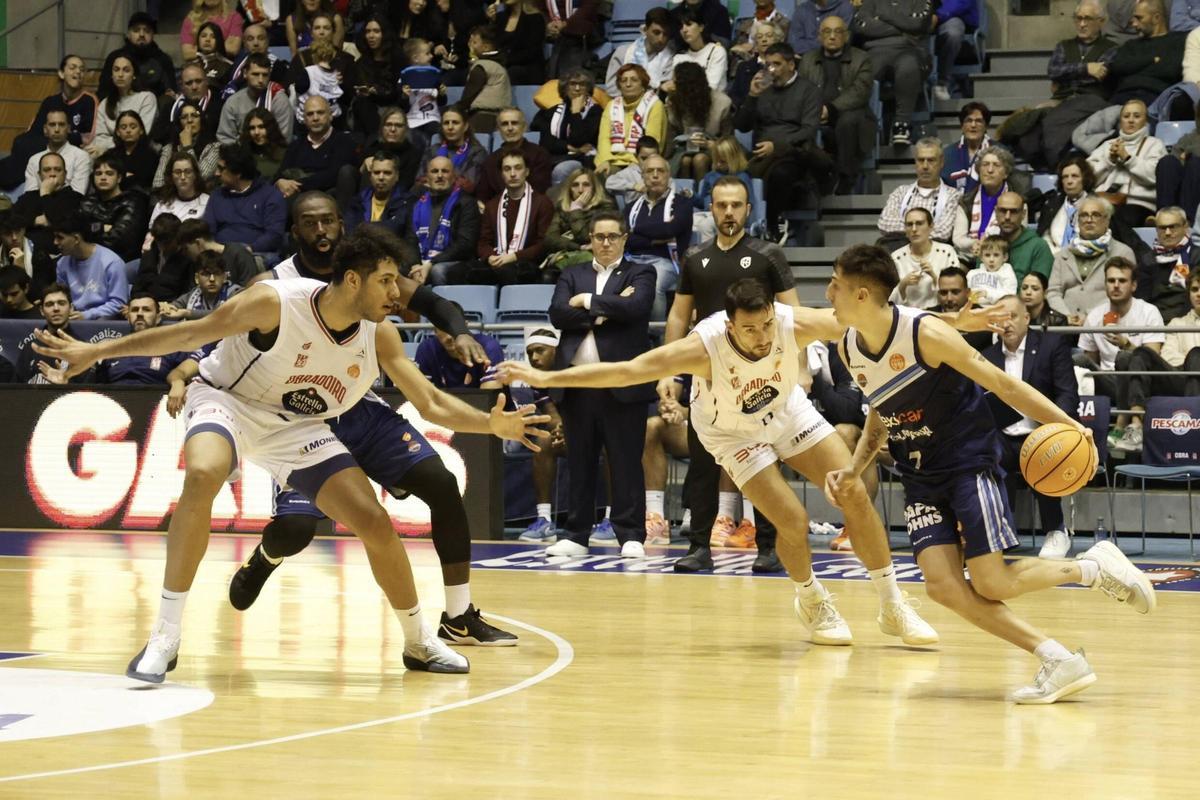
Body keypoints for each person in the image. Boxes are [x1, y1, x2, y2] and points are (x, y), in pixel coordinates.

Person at [33, 224, 545, 682]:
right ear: (352, 280)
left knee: (373, 521)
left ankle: (417, 641)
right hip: (226, 398)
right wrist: (94, 351)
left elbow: (430, 402)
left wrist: (488, 423)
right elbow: (190, 333)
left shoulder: (380, 336)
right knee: (205, 472)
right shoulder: (274, 302)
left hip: (296, 424)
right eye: (386, 280)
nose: (397, 293)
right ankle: (166, 635)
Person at [503, 271, 941, 644]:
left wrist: (955, 320)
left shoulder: (793, 324)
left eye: (766, 325)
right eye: (750, 329)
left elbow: (875, 321)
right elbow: (627, 370)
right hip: (731, 433)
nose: (762, 336)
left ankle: (892, 604)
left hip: (786, 410)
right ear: (730, 326)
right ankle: (812, 601)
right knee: (792, 522)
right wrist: (548, 375)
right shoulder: (703, 346)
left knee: (855, 492)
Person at [825, 243, 1154, 703]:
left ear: (861, 294)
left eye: (835, 284)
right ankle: (1059, 659)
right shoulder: (847, 346)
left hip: (966, 460)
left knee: (992, 580)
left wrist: (1070, 424)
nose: (828, 292)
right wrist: (854, 469)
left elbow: (1002, 383)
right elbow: (882, 409)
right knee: (942, 587)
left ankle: (1093, 568)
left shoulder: (926, 333)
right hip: (919, 474)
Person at [227, 197, 520, 648]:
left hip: (359, 409)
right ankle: (266, 557)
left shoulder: (372, 277)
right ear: (295, 231)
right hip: (304, 420)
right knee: (297, 530)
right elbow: (231, 346)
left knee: (440, 483)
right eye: (311, 223)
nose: (321, 229)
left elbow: (436, 306)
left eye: (329, 220)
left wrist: (459, 331)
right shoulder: (274, 285)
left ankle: (459, 616)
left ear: (342, 224)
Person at [662, 176, 794, 573]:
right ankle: (699, 546)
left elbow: (792, 314)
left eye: (736, 205)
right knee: (703, 463)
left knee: (765, 459)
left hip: (759, 376)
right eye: (721, 205)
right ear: (712, 209)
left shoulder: (768, 254)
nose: (729, 213)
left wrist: (798, 369)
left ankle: (769, 546)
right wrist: (668, 372)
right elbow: (677, 316)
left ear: (748, 209)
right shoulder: (695, 257)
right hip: (708, 378)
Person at [535, 211, 657, 559]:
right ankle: (576, 533)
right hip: (577, 386)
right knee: (580, 460)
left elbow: (637, 307)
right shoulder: (572, 273)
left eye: (612, 237)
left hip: (621, 384)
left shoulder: (640, 272)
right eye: (599, 237)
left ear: (624, 239)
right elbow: (558, 313)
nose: (605, 243)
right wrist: (607, 311)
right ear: (589, 239)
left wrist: (586, 301)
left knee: (625, 460)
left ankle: (630, 532)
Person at [983, 295, 1079, 558]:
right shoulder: (986, 356)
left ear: (1027, 318)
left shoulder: (1051, 345)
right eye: (1000, 319)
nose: (1007, 324)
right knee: (984, 452)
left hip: (1042, 433)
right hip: (1003, 435)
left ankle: (1057, 531)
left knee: (1043, 455)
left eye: (1012, 316)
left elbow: (1068, 394)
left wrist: (1054, 427)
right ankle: (1000, 533)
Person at [734, 42, 829, 241]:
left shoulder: (808, 90)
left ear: (791, 65)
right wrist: (752, 96)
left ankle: (773, 225)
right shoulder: (762, 89)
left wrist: (776, 146)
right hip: (761, 152)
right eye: (767, 65)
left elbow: (809, 130)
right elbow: (742, 126)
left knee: (781, 173)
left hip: (795, 152)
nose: (771, 70)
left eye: (776, 64)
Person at [1079, 257, 1166, 450]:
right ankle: (1072, 426)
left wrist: (1126, 344)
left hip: (1142, 382)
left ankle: (1125, 426)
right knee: (1077, 361)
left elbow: (1152, 359)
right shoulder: (1095, 315)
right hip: (1108, 381)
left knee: (1125, 357)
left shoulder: (1148, 312)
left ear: (1133, 285)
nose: (1116, 286)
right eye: (1111, 281)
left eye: (1122, 281)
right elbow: (1089, 360)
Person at [797, 14, 876, 195]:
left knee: (847, 121)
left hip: (853, 114)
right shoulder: (808, 60)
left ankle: (846, 176)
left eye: (838, 31)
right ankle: (813, 180)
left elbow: (860, 92)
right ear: (819, 36)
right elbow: (801, 90)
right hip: (815, 113)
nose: (832, 36)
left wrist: (830, 109)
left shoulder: (862, 58)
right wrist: (814, 110)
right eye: (827, 31)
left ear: (847, 36)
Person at [851, 0, 933, 145]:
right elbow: (861, 27)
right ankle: (863, 127)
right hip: (875, 52)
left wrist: (882, 16)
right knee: (861, 72)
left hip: (909, 49)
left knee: (908, 68)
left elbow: (918, 24)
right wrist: (903, 27)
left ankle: (902, 125)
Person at [468, 151, 554, 285]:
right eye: (507, 169)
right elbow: (483, 242)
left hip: (527, 264)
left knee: (507, 272)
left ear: (527, 172)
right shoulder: (492, 205)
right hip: (498, 260)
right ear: (502, 174)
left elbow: (544, 244)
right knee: (461, 272)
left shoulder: (542, 203)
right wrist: (490, 256)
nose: (513, 174)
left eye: (518, 168)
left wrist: (513, 257)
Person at [1047, 196, 1138, 321]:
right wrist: (1066, 316)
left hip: (1106, 325)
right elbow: (1053, 292)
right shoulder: (1063, 255)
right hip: (1065, 326)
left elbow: (1123, 294)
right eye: (1084, 215)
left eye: (1095, 215)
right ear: (1078, 221)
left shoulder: (1122, 253)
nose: (1089, 220)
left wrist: (1090, 318)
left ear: (1107, 220)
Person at [515, 326, 567, 543]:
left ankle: (611, 520)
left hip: (594, 429)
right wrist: (559, 430)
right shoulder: (536, 379)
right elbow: (551, 414)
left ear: (555, 351)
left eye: (539, 351)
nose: (534, 358)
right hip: (568, 432)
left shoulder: (574, 369)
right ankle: (544, 520)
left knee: (608, 443)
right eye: (529, 353)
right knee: (542, 443)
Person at [624, 155, 692, 320]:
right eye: (650, 171)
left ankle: (658, 337)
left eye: (660, 171)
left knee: (652, 286)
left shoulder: (682, 204)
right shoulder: (631, 207)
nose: (655, 175)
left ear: (668, 175)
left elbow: (670, 229)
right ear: (643, 176)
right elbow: (625, 239)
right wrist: (653, 240)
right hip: (632, 259)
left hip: (666, 262)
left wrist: (636, 229)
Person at [1085, 99, 1166, 229]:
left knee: (1117, 219)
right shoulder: (1107, 145)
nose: (1131, 120)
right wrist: (1108, 161)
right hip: (1102, 202)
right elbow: (1086, 178)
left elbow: (1154, 176)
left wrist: (1127, 158)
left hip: (1138, 205)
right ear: (1120, 120)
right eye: (1126, 116)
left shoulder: (1155, 144)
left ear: (1145, 121)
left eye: (1137, 116)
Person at [403, 156, 481, 285]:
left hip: (455, 262)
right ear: (427, 177)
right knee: (398, 271)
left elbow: (465, 245)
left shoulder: (466, 203)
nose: (440, 175)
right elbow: (410, 242)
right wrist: (416, 265)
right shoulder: (416, 206)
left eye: (445, 171)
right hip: (422, 261)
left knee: (438, 271)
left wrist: (431, 263)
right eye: (435, 171)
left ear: (454, 176)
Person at [877, 139, 962, 250]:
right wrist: (923, 229)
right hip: (898, 249)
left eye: (931, 160)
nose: (925, 166)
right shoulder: (901, 192)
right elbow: (884, 223)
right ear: (915, 163)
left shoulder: (953, 195)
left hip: (934, 254)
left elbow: (943, 233)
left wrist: (907, 229)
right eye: (921, 160)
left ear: (941, 163)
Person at [203, 143, 287, 254]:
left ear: (238, 173)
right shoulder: (216, 195)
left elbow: (274, 235)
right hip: (220, 253)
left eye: (221, 169)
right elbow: (208, 231)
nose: (216, 173)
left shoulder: (271, 195)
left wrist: (246, 251)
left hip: (256, 253)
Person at [275, 97, 359, 202]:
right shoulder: (296, 145)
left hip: (330, 199)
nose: (315, 118)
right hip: (298, 200)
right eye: (310, 114)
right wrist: (280, 182)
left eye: (320, 113)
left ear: (330, 116)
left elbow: (333, 176)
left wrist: (298, 184)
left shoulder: (344, 141)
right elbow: (280, 174)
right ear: (304, 119)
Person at [595, 65, 667, 186]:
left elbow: (653, 141)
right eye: (624, 80)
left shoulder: (654, 105)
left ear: (643, 84)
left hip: (641, 162)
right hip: (613, 161)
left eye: (634, 80)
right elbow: (604, 138)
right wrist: (605, 160)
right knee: (599, 176)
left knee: (629, 177)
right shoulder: (612, 105)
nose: (628, 84)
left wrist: (636, 163)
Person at [952, 146, 1025, 262]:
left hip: (1005, 257)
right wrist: (974, 243)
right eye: (985, 164)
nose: (990, 170)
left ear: (1005, 173)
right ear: (978, 170)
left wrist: (988, 246)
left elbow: (1019, 236)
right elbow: (958, 238)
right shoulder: (966, 201)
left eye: (996, 165)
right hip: (970, 255)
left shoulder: (1017, 201)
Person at [662, 62, 733, 181]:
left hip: (714, 147)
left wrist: (712, 145)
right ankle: (685, 194)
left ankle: (704, 194)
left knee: (700, 159)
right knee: (685, 161)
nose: (672, 85)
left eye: (675, 82)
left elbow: (729, 138)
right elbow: (671, 136)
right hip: (683, 148)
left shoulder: (722, 102)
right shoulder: (673, 101)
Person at [51, 212, 129, 320]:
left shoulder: (112, 263)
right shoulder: (62, 264)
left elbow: (118, 304)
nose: (55, 242)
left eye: (60, 237)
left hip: (103, 320)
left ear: (76, 239)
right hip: (73, 317)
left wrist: (87, 315)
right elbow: (62, 297)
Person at [533, 69, 604, 184]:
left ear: (588, 88)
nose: (577, 88)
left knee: (562, 170)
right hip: (555, 158)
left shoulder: (596, 112)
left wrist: (576, 113)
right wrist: (571, 148)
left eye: (582, 84)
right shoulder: (552, 111)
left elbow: (579, 139)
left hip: (584, 160)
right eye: (573, 84)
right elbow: (546, 142)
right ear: (565, 88)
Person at [14, 282, 93, 383]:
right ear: (42, 310)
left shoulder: (82, 349)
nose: (56, 308)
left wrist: (66, 384)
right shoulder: (31, 347)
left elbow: (89, 394)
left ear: (71, 308)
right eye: (49, 304)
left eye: (61, 303)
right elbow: (16, 390)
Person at [78, 151, 148, 262]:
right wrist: (101, 227)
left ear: (119, 178)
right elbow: (76, 233)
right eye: (98, 173)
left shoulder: (133, 201)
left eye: (109, 173)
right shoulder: (88, 202)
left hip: (121, 260)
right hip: (87, 259)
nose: (103, 177)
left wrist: (90, 231)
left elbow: (118, 242)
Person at [474, 108, 554, 203]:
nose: (510, 128)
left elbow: (539, 191)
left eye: (515, 123)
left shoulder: (540, 155)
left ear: (524, 127)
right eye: (504, 124)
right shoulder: (490, 161)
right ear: (499, 129)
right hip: (497, 212)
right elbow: (483, 195)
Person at [544, 169, 617, 272]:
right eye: (575, 185)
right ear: (569, 189)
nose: (580, 190)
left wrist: (576, 210)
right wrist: (579, 247)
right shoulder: (561, 207)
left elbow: (585, 237)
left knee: (586, 262)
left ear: (594, 188)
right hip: (565, 255)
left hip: (595, 257)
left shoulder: (605, 209)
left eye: (586, 185)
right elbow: (550, 239)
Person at [1135, 206, 1199, 321]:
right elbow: (1142, 300)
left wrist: (1179, 323)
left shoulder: (1197, 256)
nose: (1167, 233)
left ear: (1185, 227)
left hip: (1189, 322)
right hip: (1154, 323)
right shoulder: (1148, 260)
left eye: (1173, 227)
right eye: (1162, 228)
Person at [217, 54, 295, 145]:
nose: (261, 80)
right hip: (240, 155)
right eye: (256, 74)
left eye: (265, 75)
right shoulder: (233, 102)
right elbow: (225, 138)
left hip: (273, 155)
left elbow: (284, 139)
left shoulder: (279, 100)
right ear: (245, 73)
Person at [891, 207, 960, 310]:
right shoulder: (896, 258)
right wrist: (903, 284)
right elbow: (888, 300)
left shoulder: (946, 252)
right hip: (907, 315)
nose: (914, 229)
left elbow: (956, 292)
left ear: (931, 226)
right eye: (909, 224)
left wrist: (934, 277)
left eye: (919, 223)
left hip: (939, 314)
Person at [98, 12, 177, 100]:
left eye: (147, 31)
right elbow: (103, 92)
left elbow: (171, 92)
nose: (142, 34)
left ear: (152, 35)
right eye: (136, 30)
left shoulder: (163, 60)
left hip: (154, 108)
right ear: (128, 34)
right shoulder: (115, 58)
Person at [90, 56, 158, 157]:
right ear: (112, 75)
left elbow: (139, 135)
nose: (120, 75)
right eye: (116, 70)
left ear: (134, 75)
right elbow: (99, 138)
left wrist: (106, 146)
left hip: (140, 153)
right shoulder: (105, 103)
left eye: (126, 70)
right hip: (112, 154)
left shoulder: (146, 98)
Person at [414, 317, 504, 389]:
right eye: (443, 327)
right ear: (435, 331)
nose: (449, 336)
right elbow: (421, 394)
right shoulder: (427, 349)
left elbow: (490, 398)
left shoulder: (489, 346)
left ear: (465, 326)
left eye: (454, 326)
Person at [415, 107, 488, 195]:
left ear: (465, 127)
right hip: (431, 200)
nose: (450, 127)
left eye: (455, 123)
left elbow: (468, 187)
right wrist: (454, 179)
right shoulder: (433, 150)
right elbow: (419, 183)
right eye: (446, 123)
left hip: (461, 202)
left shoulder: (477, 152)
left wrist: (434, 180)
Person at [605, 8, 676, 95]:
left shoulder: (671, 59)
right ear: (645, 30)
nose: (661, 39)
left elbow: (664, 92)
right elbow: (611, 89)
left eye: (665, 34)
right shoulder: (623, 52)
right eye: (656, 32)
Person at [153, 100, 221, 190]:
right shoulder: (169, 148)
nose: (189, 120)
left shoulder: (214, 147)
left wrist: (187, 147)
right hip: (173, 198)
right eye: (184, 117)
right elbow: (157, 183)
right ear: (179, 123)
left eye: (195, 116)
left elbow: (199, 178)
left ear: (201, 120)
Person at [151, 62, 223, 146]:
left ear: (206, 81)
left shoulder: (220, 106)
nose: (194, 87)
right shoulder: (170, 108)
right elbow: (157, 136)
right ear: (181, 86)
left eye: (198, 81)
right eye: (189, 83)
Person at [176, 219, 262, 288]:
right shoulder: (195, 265)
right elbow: (192, 294)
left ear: (198, 243)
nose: (185, 254)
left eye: (186, 249)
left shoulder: (239, 254)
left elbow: (249, 290)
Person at [1037, 154, 1096, 255]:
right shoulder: (1052, 205)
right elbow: (1044, 237)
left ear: (1085, 179)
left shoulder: (1097, 205)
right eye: (1065, 177)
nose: (1069, 181)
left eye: (1074, 176)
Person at [24, 109, 91, 196]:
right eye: (52, 125)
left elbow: (77, 195)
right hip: (39, 208)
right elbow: (29, 197)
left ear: (69, 128)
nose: (56, 129)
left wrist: (46, 191)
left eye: (61, 125)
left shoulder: (81, 157)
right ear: (45, 129)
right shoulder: (34, 160)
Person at [162, 249, 242, 319]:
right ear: (196, 278)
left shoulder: (236, 293)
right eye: (206, 274)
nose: (212, 279)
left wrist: (188, 313)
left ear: (224, 277)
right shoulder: (193, 294)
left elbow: (224, 314)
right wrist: (166, 307)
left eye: (217, 273)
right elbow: (174, 306)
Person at [460, 27, 512, 134]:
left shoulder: (482, 66)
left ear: (486, 47)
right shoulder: (498, 65)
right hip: (498, 116)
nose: (470, 46)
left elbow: (469, 95)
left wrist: (456, 109)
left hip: (482, 117)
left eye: (474, 42)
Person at [344, 150, 408, 235]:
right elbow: (350, 231)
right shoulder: (357, 202)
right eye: (376, 173)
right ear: (370, 176)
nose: (381, 177)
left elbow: (395, 229)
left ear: (397, 176)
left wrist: (362, 228)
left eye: (387, 173)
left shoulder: (406, 202)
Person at [148, 152, 210, 235]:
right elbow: (151, 236)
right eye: (178, 172)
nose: (183, 177)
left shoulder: (209, 203)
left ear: (195, 174)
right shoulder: (162, 205)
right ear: (171, 176)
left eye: (188, 172)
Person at [669, 8, 729, 92]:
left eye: (689, 24)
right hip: (685, 102)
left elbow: (711, 87)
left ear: (701, 27)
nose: (684, 30)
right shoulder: (679, 57)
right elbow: (675, 87)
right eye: (681, 26)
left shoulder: (717, 51)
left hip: (714, 101)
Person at [490, 0, 548, 85]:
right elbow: (493, 44)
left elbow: (532, 52)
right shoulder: (500, 17)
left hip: (528, 68)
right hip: (503, 65)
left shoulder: (535, 18)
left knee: (511, 72)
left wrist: (505, 61)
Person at [932, 0, 980, 100]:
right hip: (920, 18)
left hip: (951, 17)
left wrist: (937, 16)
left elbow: (960, 3)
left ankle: (942, 82)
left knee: (953, 33)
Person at [941, 102, 993, 192]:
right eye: (969, 120)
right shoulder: (947, 154)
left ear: (986, 126)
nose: (973, 125)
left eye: (978, 121)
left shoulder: (999, 152)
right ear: (962, 125)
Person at [239, 109, 289, 183]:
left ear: (271, 128)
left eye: (261, 127)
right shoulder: (243, 155)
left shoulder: (285, 153)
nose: (256, 132)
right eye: (252, 128)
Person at [968, 235, 1020, 307]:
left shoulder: (1006, 272)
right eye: (987, 255)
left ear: (1005, 257)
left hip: (997, 310)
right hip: (973, 309)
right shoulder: (972, 274)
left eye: (996, 255)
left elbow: (1010, 295)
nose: (991, 260)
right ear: (981, 257)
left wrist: (987, 294)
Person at [788, 0, 854, 55]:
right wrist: (820, 43)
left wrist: (807, 44)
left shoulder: (845, 8)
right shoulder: (801, 9)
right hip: (806, 62)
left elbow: (838, 42)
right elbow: (794, 45)